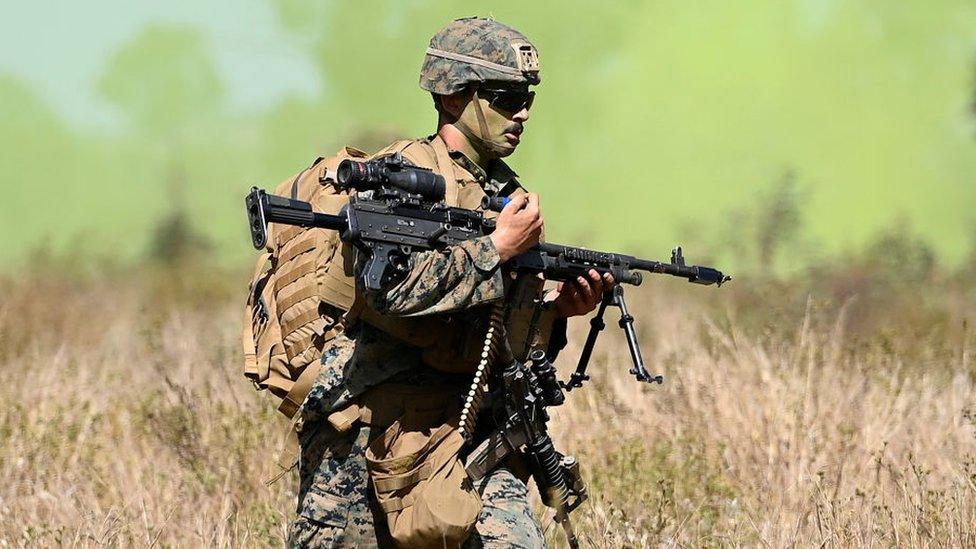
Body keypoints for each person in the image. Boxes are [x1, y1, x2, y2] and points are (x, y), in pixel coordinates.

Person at [288, 17, 613, 548]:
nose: (523, 112)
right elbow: (389, 292)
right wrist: (496, 251)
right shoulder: (399, 176)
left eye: (528, 96)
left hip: (469, 433)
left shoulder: (506, 193)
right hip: (367, 432)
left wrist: (557, 313)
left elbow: (492, 337)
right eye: (506, 96)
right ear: (454, 95)